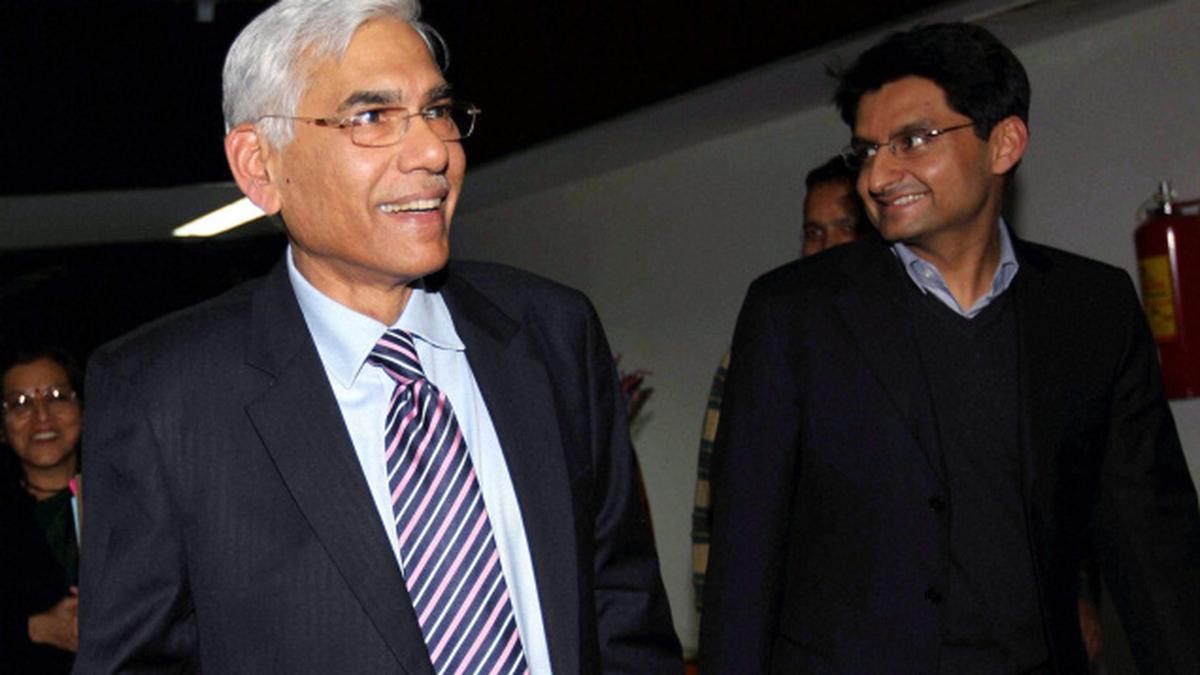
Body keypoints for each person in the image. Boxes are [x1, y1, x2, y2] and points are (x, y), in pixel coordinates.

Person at [74, 1, 681, 672]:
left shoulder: (554, 334)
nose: (433, 152)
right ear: (259, 165)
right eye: (371, 117)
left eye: (437, 111)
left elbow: (623, 614)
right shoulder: (163, 397)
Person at [700, 22, 1200, 674]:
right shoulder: (793, 314)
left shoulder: (1092, 310)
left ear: (1005, 143)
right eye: (866, 151)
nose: (877, 176)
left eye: (912, 140)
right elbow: (741, 568)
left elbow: (1156, 552)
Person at [691, 155, 870, 612]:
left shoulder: (910, 344)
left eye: (846, 227)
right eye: (813, 232)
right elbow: (717, 502)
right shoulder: (758, 350)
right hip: (790, 617)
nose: (828, 246)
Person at [0, 348, 84, 673]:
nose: (41, 416)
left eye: (56, 397)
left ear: (83, 408)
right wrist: (35, 628)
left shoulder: (133, 498)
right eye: (19, 403)